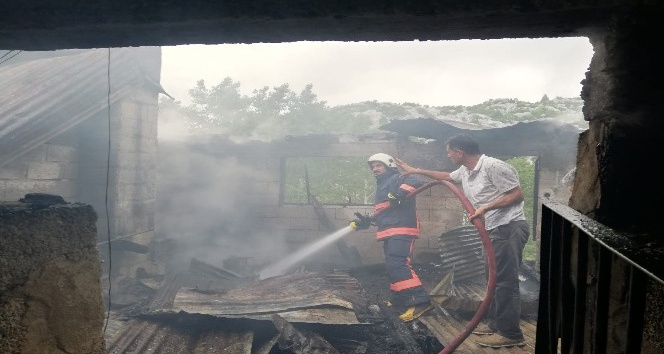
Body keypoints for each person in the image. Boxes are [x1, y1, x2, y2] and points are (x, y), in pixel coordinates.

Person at [395, 134, 529, 348]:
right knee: (492, 279)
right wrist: (415, 171)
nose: (448, 156)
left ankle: (510, 333)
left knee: (504, 281)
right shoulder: (466, 171)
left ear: (460, 152)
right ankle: (495, 324)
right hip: (492, 229)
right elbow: (447, 176)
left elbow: (516, 195)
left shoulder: (494, 166)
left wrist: (485, 207)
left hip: (508, 228)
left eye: (449, 152)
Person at [350, 153, 433, 322]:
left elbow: (416, 182)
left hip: (401, 227)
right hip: (389, 229)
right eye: (372, 166)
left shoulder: (396, 178)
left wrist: (399, 193)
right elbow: (383, 209)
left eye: (378, 165)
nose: (374, 169)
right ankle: (400, 298)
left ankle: (421, 301)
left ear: (388, 165)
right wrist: (365, 220)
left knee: (398, 263)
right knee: (391, 265)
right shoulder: (382, 185)